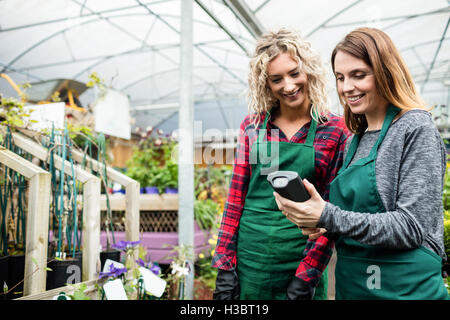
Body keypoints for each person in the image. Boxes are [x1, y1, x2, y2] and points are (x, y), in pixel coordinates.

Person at [275, 27, 449, 300]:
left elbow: (412, 227)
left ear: (385, 72)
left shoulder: (414, 128)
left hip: (404, 289)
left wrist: (327, 215)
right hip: (354, 286)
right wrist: (321, 221)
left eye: (359, 75)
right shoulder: (354, 140)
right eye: (340, 77)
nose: (346, 88)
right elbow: (353, 218)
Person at [211, 28, 349, 300]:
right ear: (266, 83)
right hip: (251, 258)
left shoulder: (335, 130)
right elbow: (235, 200)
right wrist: (225, 267)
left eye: (294, 73)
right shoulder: (253, 126)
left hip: (302, 256)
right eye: (276, 79)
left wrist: (306, 278)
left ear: (308, 70)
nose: (288, 85)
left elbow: (331, 211)